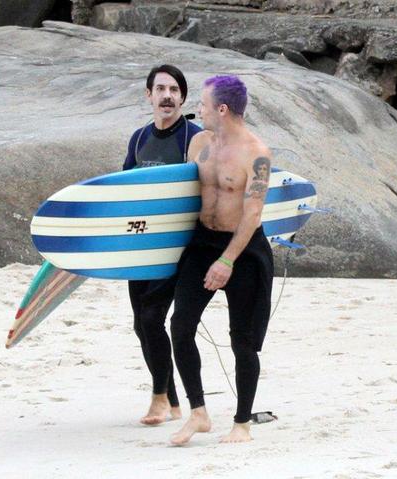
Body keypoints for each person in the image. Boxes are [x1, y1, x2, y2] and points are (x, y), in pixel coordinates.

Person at [169, 75, 274, 445]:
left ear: (222, 109)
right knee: (180, 326)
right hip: (202, 244)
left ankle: (242, 423)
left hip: (243, 251)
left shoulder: (256, 153)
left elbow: (253, 215)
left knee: (242, 341)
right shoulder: (199, 142)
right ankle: (198, 413)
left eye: (203, 103)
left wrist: (227, 261)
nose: (198, 109)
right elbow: (182, 196)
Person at [122, 65, 202, 425]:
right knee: (142, 324)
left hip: (177, 247)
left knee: (154, 317)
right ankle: (171, 402)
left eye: (174, 90)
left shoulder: (194, 138)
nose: (167, 95)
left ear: (183, 97)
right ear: (149, 95)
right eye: (160, 89)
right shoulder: (139, 138)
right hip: (140, 245)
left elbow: (208, 189)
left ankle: (158, 398)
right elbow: (123, 190)